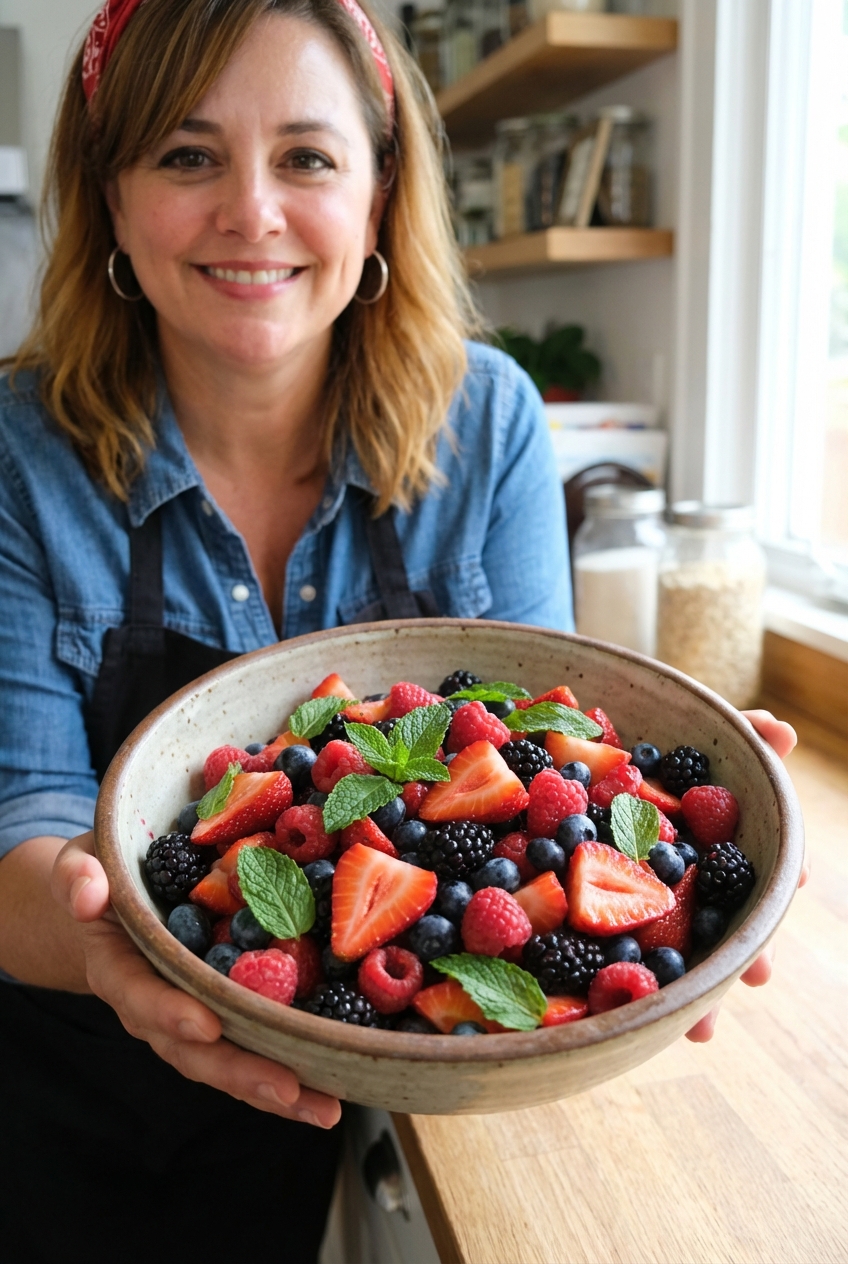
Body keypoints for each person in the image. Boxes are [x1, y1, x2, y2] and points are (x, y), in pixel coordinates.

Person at [0, 1, 803, 1260]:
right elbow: (20, 835)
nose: (251, 214)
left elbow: (551, 737)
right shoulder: (18, 456)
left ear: (379, 194)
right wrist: (116, 945)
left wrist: (657, 834)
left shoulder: (489, 425)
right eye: (186, 154)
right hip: (54, 1079)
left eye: (307, 157)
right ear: (108, 197)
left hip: (331, 1080)